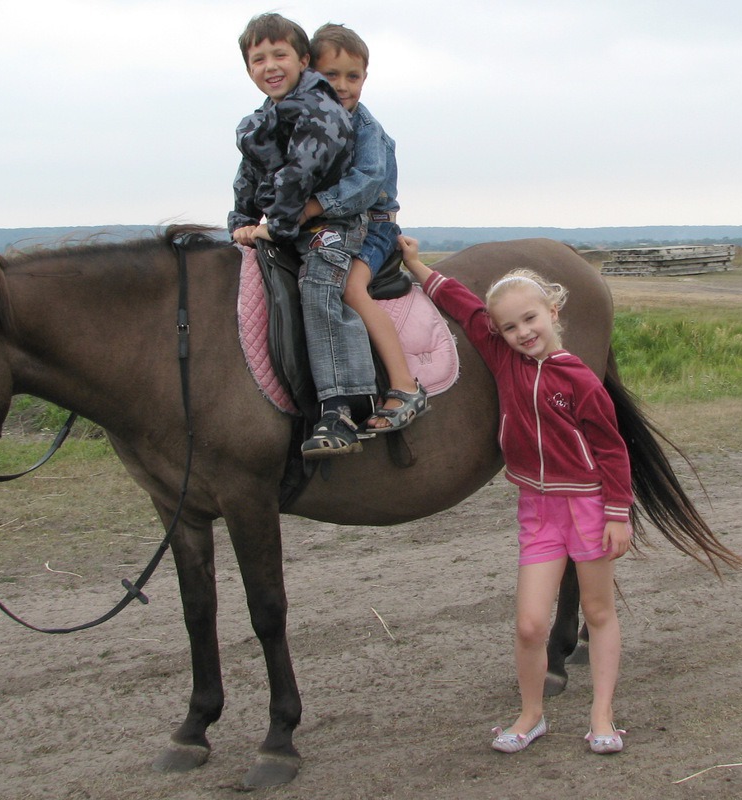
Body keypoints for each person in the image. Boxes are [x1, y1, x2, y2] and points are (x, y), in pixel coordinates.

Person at [398, 235, 634, 755]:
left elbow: (612, 450)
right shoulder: (503, 359)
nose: (523, 333)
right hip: (538, 510)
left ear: (553, 312)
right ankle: (531, 715)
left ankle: (602, 716)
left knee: (599, 613)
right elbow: (462, 306)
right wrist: (416, 264)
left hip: (588, 507)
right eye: (509, 327)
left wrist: (618, 514)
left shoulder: (580, 380)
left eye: (530, 319)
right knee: (529, 625)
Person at [229, 12, 376, 458]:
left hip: (331, 224)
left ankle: (342, 407)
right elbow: (249, 173)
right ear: (248, 69)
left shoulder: (320, 110)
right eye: (258, 59)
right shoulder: (261, 120)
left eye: (280, 55)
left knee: (319, 286)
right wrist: (239, 221)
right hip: (286, 224)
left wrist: (275, 225)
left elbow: (299, 172)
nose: (270, 66)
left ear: (303, 61)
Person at [303, 23, 428, 431]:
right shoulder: (309, 121)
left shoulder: (367, 130)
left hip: (373, 227)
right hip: (330, 225)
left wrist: (312, 207)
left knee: (350, 288)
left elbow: (366, 184)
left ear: (365, 77)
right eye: (331, 75)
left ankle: (404, 383)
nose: (342, 85)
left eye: (352, 76)